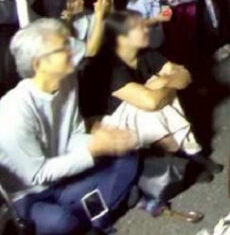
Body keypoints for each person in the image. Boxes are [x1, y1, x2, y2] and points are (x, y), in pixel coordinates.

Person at [0, 18, 139, 235]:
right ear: (38, 64)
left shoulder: (67, 80)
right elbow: (37, 175)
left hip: (65, 177)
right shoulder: (13, 112)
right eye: (62, 48)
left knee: (127, 155)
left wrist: (104, 142)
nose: (71, 51)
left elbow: (73, 134)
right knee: (60, 222)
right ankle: (99, 210)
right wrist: (92, 150)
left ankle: (92, 214)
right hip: (32, 195)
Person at [82, 11, 220, 178]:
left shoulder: (144, 53)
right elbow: (150, 103)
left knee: (158, 93)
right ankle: (188, 156)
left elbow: (185, 75)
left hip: (140, 111)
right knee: (152, 106)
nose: (146, 29)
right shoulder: (109, 66)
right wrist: (165, 85)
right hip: (106, 124)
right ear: (122, 38)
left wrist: (162, 82)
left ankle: (186, 156)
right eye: (139, 27)